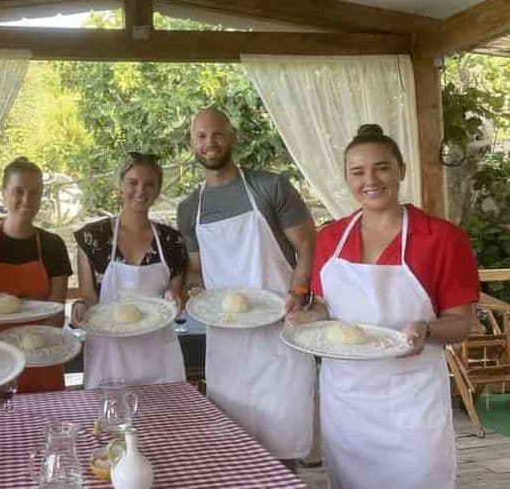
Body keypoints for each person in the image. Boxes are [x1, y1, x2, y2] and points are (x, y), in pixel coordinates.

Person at [286, 124, 478, 489]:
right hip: (347, 401)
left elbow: (461, 322)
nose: (370, 180)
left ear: (401, 169)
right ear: (346, 178)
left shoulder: (442, 238)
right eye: (357, 172)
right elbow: (326, 306)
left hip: (412, 400)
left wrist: (426, 330)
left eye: (382, 167)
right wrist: (306, 317)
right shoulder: (331, 237)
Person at [177, 106, 317, 464]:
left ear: (233, 136)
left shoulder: (269, 186)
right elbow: (195, 270)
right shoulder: (190, 208)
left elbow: (306, 245)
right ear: (192, 143)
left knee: (281, 449)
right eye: (201, 136)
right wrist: (194, 290)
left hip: (279, 336)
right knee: (235, 452)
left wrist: (299, 291)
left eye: (218, 133)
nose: (210, 142)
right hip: (228, 345)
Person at [71, 152, 187, 389]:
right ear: (120, 185)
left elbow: (174, 298)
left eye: (149, 184)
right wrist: (80, 306)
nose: (141, 190)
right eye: (133, 182)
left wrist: (174, 298)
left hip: (157, 356)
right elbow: (89, 298)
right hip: (109, 357)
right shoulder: (93, 238)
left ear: (157, 190)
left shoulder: (171, 241)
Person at [0, 157, 72, 392]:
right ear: (3, 193)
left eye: (35, 193)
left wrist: (30, 351)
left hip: (42, 356)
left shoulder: (52, 245)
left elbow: (57, 312)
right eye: (18, 191)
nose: (27, 200)